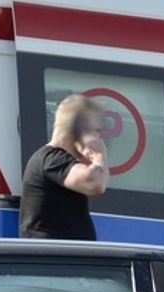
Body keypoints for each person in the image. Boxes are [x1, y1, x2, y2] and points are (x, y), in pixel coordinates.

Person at [19, 94, 110, 240]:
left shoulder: (53, 159)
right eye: (95, 131)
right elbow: (95, 183)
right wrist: (99, 156)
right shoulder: (51, 159)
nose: (98, 137)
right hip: (54, 260)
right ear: (77, 130)